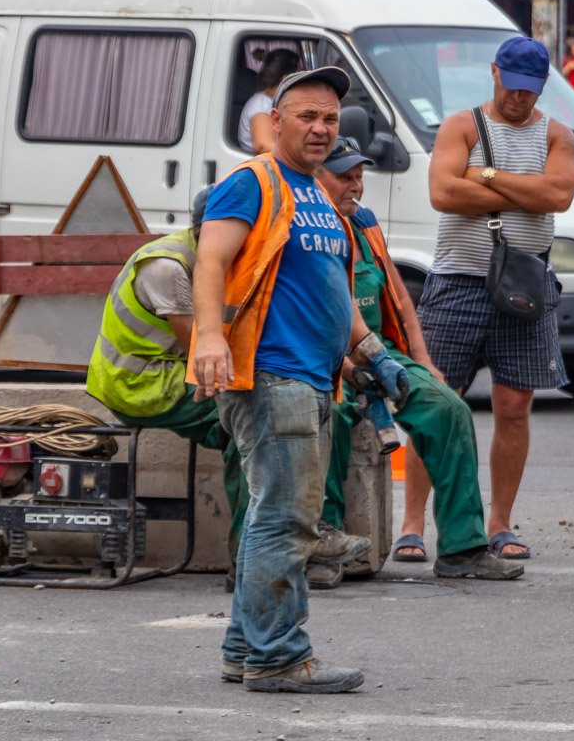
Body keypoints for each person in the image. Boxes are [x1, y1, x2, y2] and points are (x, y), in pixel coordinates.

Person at [192, 67, 410, 694]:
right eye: (308, 117)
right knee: (285, 521)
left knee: (273, 515)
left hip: (312, 379)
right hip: (270, 375)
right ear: (277, 120)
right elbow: (211, 259)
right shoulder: (253, 181)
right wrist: (209, 337)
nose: (320, 128)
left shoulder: (320, 196)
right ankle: (280, 657)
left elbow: (331, 300)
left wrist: (373, 352)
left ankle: (245, 648)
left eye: (330, 120)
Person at [86, 188, 370, 593]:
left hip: (174, 374)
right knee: (252, 423)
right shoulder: (169, 268)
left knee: (283, 412)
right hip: (140, 384)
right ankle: (251, 562)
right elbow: (203, 353)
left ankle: (289, 540)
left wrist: (348, 366)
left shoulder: (225, 263)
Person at [315, 136, 524, 584]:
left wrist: (422, 361)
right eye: (343, 176)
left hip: (381, 354)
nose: (355, 185)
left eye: (358, 176)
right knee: (334, 414)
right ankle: (323, 549)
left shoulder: (364, 222)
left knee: (448, 408)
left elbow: (399, 298)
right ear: (315, 177)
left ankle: (462, 549)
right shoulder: (304, 224)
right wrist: (351, 372)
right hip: (323, 359)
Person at [421, 36, 574, 560]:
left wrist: (483, 175)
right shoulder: (461, 125)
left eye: (529, 91)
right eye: (511, 87)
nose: (519, 98)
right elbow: (443, 193)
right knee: (436, 403)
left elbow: (558, 196)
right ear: (494, 73)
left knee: (514, 406)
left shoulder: (557, 136)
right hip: (459, 279)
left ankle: (500, 523)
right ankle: (411, 524)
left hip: (525, 283)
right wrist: (522, 189)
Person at [238, 48, 301, 154]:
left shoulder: (274, 102)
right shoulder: (260, 105)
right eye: (299, 75)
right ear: (286, 79)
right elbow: (264, 146)